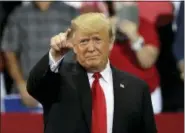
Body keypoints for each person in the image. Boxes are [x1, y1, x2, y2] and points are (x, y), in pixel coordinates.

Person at [27, 13, 157, 133]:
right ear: (74, 46)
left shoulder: (136, 89)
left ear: (111, 43)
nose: (91, 48)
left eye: (97, 40)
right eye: (84, 41)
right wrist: (55, 55)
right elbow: (34, 86)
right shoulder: (58, 79)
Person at [1, 1, 79, 107]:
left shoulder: (71, 13)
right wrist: (21, 84)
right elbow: (9, 52)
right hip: (27, 94)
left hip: (64, 92)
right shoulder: (19, 14)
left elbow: (81, 50)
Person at [109, 2, 162, 114]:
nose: (122, 4)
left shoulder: (145, 26)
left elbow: (147, 62)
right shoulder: (103, 27)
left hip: (145, 96)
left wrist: (135, 37)